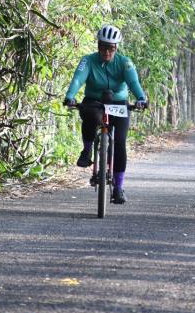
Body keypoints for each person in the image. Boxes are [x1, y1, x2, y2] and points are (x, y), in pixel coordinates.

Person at [63, 24, 148, 204]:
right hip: (95, 101)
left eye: (111, 48)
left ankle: (118, 188)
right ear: (98, 46)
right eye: (103, 47)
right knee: (89, 115)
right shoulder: (88, 60)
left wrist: (141, 97)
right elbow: (78, 79)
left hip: (118, 103)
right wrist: (70, 96)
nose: (107, 52)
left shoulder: (125, 62)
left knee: (120, 144)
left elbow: (133, 82)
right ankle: (87, 150)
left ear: (116, 48)